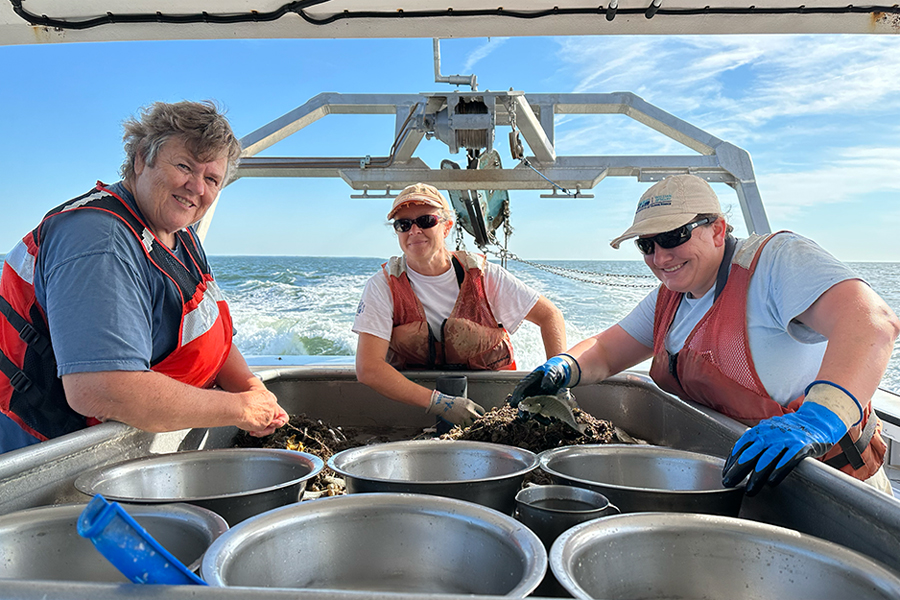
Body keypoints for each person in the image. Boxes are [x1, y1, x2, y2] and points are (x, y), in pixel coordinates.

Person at [510, 174, 900, 495]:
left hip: (831, 485)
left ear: (717, 230)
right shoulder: (670, 299)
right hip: (740, 484)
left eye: (675, 236)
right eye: (647, 245)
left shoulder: (773, 264)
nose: (660, 258)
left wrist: (817, 420)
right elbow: (607, 351)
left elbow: (872, 323)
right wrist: (564, 366)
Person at [0, 100, 288, 454]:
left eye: (211, 179)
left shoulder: (179, 235)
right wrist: (238, 409)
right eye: (184, 166)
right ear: (140, 158)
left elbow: (209, 330)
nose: (196, 188)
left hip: (147, 440)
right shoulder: (98, 241)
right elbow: (101, 390)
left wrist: (249, 388)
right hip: (48, 457)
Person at [353, 183, 567, 427]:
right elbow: (369, 368)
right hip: (412, 410)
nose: (414, 231)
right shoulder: (382, 286)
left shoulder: (486, 276)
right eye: (403, 224)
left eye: (426, 221)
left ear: (446, 227)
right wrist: (440, 403)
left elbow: (549, 316)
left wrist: (558, 384)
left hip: (498, 410)